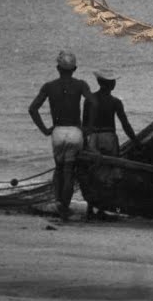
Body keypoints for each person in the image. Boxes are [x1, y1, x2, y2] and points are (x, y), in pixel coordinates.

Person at [29, 51, 96, 220]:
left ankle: (59, 203)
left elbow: (33, 109)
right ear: (75, 69)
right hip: (75, 132)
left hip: (58, 132)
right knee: (69, 172)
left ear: (58, 68)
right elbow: (93, 102)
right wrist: (88, 128)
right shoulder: (81, 84)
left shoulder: (49, 86)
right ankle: (64, 206)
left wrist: (45, 130)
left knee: (59, 169)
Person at [83, 69, 140, 220]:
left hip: (93, 137)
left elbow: (84, 124)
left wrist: (84, 143)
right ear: (111, 85)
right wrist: (136, 141)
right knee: (108, 174)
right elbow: (125, 124)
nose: (114, 83)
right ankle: (101, 209)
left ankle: (90, 209)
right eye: (113, 81)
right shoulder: (115, 102)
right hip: (109, 137)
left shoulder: (89, 100)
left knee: (92, 172)